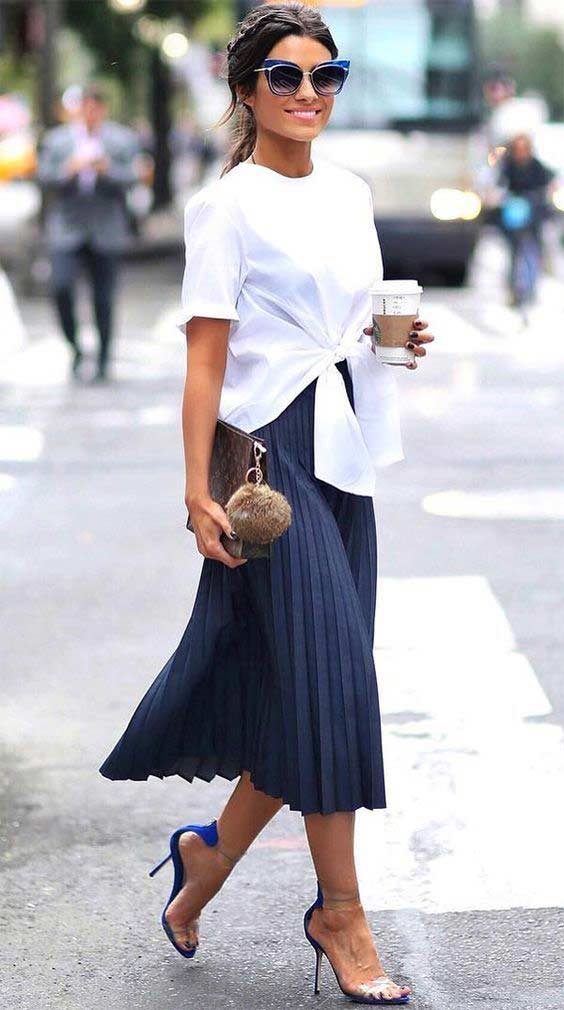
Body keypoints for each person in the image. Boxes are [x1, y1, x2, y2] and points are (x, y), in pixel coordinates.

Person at [99, 4, 434, 1004]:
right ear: (246, 91)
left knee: (311, 695)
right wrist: (194, 488)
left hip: (342, 449)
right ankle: (341, 911)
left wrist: (396, 344)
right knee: (334, 683)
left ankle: (206, 857)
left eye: (325, 76)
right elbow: (205, 355)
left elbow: (348, 324)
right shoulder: (227, 205)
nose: (307, 95)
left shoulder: (352, 191)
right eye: (284, 78)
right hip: (266, 462)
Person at [36, 84, 140, 381]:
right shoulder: (57, 141)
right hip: (67, 228)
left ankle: (104, 356)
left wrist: (107, 169)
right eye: (85, 107)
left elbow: (134, 176)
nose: (90, 113)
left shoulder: (120, 139)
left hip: (105, 227)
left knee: (103, 299)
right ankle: (75, 347)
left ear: (102, 110)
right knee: (61, 287)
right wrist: (68, 169)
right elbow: (43, 177)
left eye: (95, 107)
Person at [495, 133, 556, 308]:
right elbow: (500, 185)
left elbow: (549, 184)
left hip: (534, 216)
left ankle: (530, 289)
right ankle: (515, 288)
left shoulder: (537, 166)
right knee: (514, 253)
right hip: (514, 216)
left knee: (533, 252)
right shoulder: (508, 166)